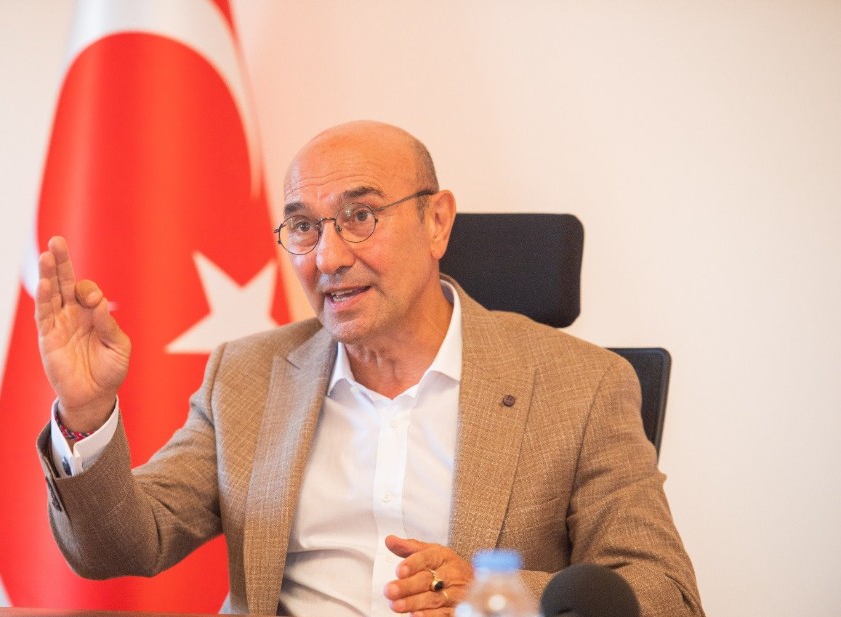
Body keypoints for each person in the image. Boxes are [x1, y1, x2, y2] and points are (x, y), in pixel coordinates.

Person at [36, 121, 705, 617]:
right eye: (304, 227)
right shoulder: (246, 376)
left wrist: (496, 594)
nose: (327, 258)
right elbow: (121, 545)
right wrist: (87, 413)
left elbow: (666, 594)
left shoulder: (581, 386)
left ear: (437, 222)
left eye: (360, 216)